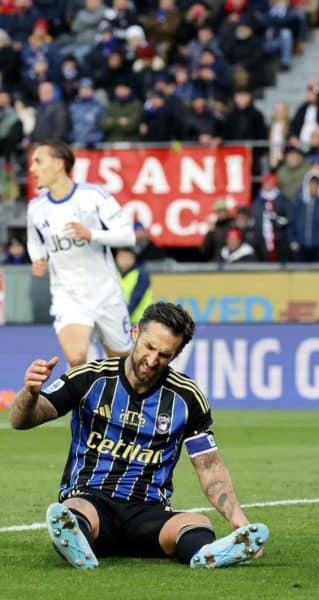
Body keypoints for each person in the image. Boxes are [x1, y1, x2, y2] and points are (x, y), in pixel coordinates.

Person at [8, 302, 269, 569]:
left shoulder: (187, 397)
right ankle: (77, 541)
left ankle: (207, 555)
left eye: (165, 355)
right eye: (149, 347)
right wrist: (29, 393)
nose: (153, 360)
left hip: (149, 511)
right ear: (135, 333)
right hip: (92, 499)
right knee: (73, 511)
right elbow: (21, 420)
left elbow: (210, 466)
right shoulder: (90, 378)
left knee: (196, 522)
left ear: (176, 354)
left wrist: (237, 518)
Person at [26, 140, 136, 368]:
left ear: (58, 163)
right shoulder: (36, 208)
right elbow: (34, 241)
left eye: (38, 161)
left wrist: (92, 234)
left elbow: (128, 236)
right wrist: (38, 258)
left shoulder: (94, 196)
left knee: (123, 366)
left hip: (106, 293)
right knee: (76, 359)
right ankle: (86, 403)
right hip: (68, 295)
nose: (32, 168)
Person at [115, 247, 152, 324]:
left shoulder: (142, 274)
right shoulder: (113, 273)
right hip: (120, 319)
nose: (124, 261)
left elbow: (136, 298)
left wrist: (123, 318)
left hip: (140, 321)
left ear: (133, 258)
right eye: (121, 257)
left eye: (127, 257)